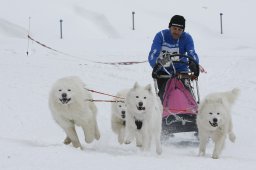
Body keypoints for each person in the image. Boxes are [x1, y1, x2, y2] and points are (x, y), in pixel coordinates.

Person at [148, 15, 200, 102]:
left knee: (185, 94)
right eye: (174, 28)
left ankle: (189, 110)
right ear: (170, 27)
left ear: (183, 30)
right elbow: (153, 54)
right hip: (163, 70)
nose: (176, 32)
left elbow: (192, 53)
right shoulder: (161, 36)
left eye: (179, 30)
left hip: (181, 70)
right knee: (164, 95)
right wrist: (156, 64)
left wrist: (194, 64)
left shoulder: (187, 38)